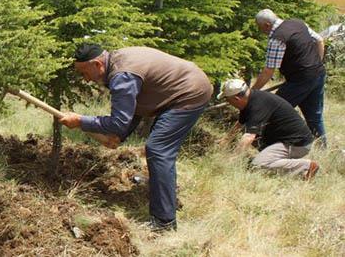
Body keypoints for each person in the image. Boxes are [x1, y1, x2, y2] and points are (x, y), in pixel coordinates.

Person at [58, 44, 212, 232]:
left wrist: (81, 121)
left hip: (189, 93)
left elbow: (119, 121)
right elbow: (133, 108)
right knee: (158, 150)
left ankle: (164, 222)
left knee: (158, 150)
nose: (86, 80)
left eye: (85, 73)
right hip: (181, 88)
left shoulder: (122, 75)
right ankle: (162, 195)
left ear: (98, 64)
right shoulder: (115, 63)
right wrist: (118, 136)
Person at [252, 9, 327, 147]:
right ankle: (322, 148)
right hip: (318, 74)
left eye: (260, 27)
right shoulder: (298, 23)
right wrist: (317, 63)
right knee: (315, 116)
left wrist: (253, 92)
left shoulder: (277, 38)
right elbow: (320, 40)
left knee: (272, 110)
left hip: (300, 80)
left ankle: (262, 144)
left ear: (267, 25)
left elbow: (268, 71)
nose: (260, 30)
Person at [218, 79, 320, 180]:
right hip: (283, 140)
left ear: (236, 98)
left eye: (227, 99)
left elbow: (249, 137)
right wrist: (226, 140)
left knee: (258, 165)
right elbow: (240, 124)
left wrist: (232, 159)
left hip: (298, 144)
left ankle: (306, 166)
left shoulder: (257, 105)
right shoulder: (251, 99)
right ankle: (275, 159)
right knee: (251, 139)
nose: (228, 102)